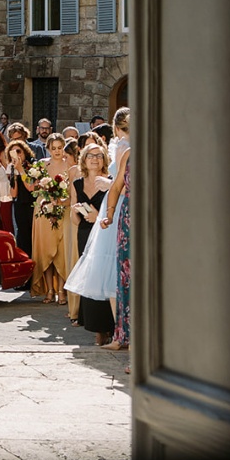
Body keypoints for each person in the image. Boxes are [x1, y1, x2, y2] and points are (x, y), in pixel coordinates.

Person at [69, 144, 115, 342]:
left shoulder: (111, 182)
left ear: (105, 159)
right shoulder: (77, 183)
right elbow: (73, 216)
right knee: (90, 277)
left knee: (104, 277)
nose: (94, 159)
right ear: (84, 159)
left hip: (106, 231)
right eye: (90, 155)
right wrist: (78, 212)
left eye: (99, 155)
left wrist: (96, 217)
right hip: (85, 232)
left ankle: (109, 328)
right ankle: (96, 328)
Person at [27, 133, 76, 304]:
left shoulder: (70, 166)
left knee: (61, 251)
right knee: (46, 250)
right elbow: (31, 188)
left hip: (63, 210)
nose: (57, 151)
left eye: (60, 148)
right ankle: (49, 290)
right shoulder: (41, 164)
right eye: (53, 148)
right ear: (48, 148)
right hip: (43, 211)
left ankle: (62, 291)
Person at [99, 128, 131, 353]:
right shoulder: (129, 153)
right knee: (126, 279)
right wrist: (109, 214)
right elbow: (117, 186)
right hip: (128, 221)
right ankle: (124, 336)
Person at [6, 139, 36, 257]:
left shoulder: (33, 165)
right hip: (20, 205)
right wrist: (14, 173)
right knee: (22, 236)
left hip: (33, 204)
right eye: (13, 153)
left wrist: (21, 170)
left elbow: (31, 187)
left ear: (25, 152)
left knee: (33, 236)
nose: (17, 155)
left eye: (19, 151)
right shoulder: (13, 168)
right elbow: (13, 194)